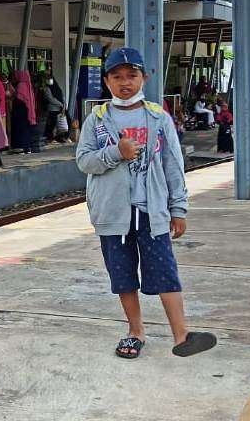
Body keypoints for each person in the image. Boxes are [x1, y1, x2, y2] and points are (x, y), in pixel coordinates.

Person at [75, 47, 216, 360]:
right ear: (107, 82)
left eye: (132, 75)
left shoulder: (158, 117)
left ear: (144, 78)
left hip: (151, 210)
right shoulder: (96, 120)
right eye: (117, 77)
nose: (125, 82)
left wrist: (178, 208)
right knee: (122, 273)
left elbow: (172, 165)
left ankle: (182, 335)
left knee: (164, 269)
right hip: (112, 212)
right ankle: (135, 331)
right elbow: (84, 161)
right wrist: (115, 153)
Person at [10, 70, 40, 154]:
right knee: (26, 130)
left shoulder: (20, 85)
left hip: (20, 111)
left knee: (20, 130)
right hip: (27, 111)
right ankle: (27, 148)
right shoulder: (29, 85)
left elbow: (19, 98)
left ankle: (21, 148)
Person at [43, 76, 67, 141]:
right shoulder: (47, 89)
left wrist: (64, 106)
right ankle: (50, 138)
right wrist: (61, 104)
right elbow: (50, 99)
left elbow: (63, 97)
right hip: (53, 109)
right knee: (52, 125)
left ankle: (59, 137)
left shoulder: (58, 88)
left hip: (60, 109)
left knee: (60, 124)